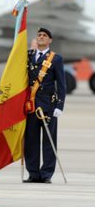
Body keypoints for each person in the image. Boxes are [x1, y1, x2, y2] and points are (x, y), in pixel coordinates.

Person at [24, 28, 66, 184]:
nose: (41, 37)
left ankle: (46, 173)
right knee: (31, 141)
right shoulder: (28, 56)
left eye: (45, 36)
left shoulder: (55, 59)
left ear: (50, 41)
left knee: (49, 141)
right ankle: (33, 173)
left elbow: (61, 84)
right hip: (31, 105)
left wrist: (59, 106)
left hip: (48, 105)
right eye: (39, 35)